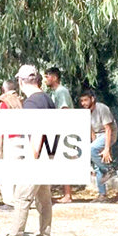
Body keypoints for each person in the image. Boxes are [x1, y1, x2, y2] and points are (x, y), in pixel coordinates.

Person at [0, 65, 55, 236]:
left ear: (20, 81)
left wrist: (33, 156)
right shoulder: (47, 99)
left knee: (21, 197)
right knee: (44, 200)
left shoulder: (32, 103)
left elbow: (37, 132)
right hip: (48, 155)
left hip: (36, 156)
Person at [79, 89, 118, 202]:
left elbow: (108, 129)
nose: (83, 103)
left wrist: (106, 148)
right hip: (98, 136)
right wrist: (95, 148)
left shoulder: (102, 108)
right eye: (81, 101)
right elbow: (92, 132)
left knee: (90, 149)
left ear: (92, 99)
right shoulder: (86, 112)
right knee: (96, 165)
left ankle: (109, 169)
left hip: (108, 134)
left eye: (85, 100)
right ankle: (102, 195)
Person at [45, 67, 76, 204]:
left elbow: (64, 110)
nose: (46, 79)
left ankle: (68, 195)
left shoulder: (61, 91)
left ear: (55, 77)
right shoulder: (55, 92)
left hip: (64, 131)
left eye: (47, 76)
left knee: (66, 162)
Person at [0, 79, 23, 211]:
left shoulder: (4, 102)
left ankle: (10, 201)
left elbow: (0, 125)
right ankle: (20, 199)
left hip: (9, 139)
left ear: (3, 89)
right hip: (21, 139)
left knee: (7, 172)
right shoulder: (20, 100)